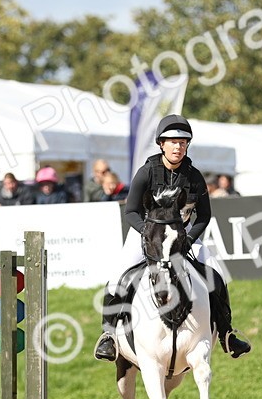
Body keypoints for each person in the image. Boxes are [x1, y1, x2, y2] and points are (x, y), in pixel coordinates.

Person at [93, 114, 250, 361]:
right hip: (146, 235)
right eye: (173, 141)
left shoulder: (194, 176)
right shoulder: (146, 173)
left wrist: (187, 239)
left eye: (183, 142)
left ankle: (227, 334)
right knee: (117, 277)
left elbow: (203, 216)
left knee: (215, 273)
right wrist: (148, 233)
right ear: (161, 144)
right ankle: (108, 335)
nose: (178, 146)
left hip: (182, 237)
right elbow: (131, 211)